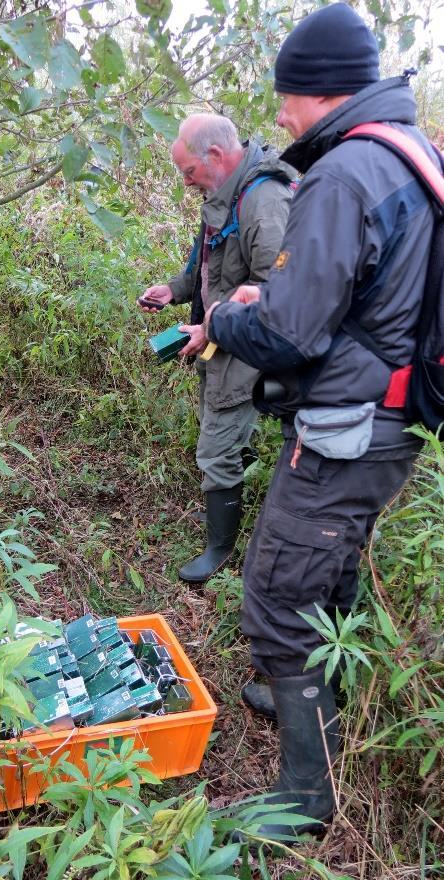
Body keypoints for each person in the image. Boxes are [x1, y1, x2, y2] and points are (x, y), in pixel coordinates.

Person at [187, 2, 439, 840]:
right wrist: (281, 295)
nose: (281, 114)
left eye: (285, 96)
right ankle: (310, 699)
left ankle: (306, 796)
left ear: (318, 90)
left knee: (274, 595)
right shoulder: (412, 154)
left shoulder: (345, 172)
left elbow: (292, 333)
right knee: (327, 573)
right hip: (393, 418)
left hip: (347, 430)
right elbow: (358, 299)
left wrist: (223, 319)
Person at [139, 113, 297, 583]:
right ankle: (234, 492)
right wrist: (175, 289)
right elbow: (212, 264)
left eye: (188, 171)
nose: (186, 182)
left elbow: (276, 291)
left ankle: (220, 547)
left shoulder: (263, 201)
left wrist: (213, 329)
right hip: (220, 337)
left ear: (214, 154)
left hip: (245, 344)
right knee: (223, 430)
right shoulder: (224, 192)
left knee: (216, 442)